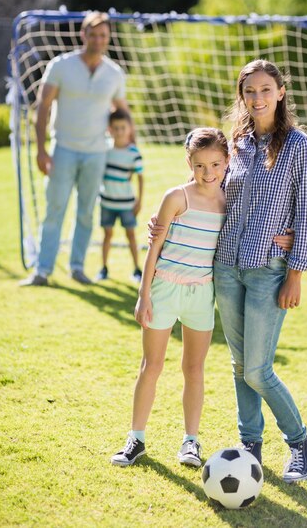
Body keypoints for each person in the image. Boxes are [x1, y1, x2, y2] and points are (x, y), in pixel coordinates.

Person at [213, 59, 307, 483]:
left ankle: (301, 445)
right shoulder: (234, 144)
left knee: (258, 369)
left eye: (264, 90)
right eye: (249, 91)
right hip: (227, 267)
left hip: (268, 271)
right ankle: (249, 445)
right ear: (242, 96)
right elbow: (215, 194)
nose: (256, 98)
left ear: (280, 92)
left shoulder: (299, 145)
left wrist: (296, 272)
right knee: (240, 366)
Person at [111, 128, 229, 468]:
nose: (208, 173)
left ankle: (190, 441)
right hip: (164, 289)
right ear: (189, 163)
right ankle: (136, 438)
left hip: (201, 294)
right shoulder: (176, 197)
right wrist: (143, 294)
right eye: (200, 165)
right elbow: (155, 248)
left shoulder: (227, 201)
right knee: (152, 365)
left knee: (194, 368)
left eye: (215, 165)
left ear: (226, 163)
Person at [19, 11, 129, 287]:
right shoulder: (61, 65)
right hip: (63, 149)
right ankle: (42, 271)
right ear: (83, 35)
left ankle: (77, 267)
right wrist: (41, 150)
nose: (98, 39)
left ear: (108, 38)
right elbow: (42, 106)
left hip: (97, 153)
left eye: (103, 35)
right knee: (55, 209)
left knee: (86, 211)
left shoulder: (114, 73)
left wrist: (130, 148)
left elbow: (122, 112)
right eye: (92, 34)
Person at [95, 108, 144, 283]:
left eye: (123, 127)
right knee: (107, 235)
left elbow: (140, 177)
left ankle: (137, 269)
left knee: (130, 235)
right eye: (115, 128)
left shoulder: (134, 153)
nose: (119, 131)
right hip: (107, 202)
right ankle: (103, 268)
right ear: (110, 129)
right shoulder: (105, 150)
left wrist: (139, 200)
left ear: (129, 128)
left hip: (126, 204)